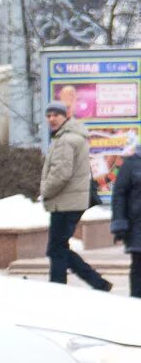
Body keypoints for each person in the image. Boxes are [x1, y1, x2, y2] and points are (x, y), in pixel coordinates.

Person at [41, 99, 113, 291]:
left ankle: (60, 288)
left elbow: (61, 173)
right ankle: (98, 283)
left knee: (56, 249)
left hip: (66, 201)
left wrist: (45, 191)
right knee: (58, 247)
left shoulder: (66, 139)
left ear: (66, 117)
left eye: (56, 115)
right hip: (70, 200)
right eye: (49, 116)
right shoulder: (70, 136)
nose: (52, 119)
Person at [111, 146, 141, 298]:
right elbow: (119, 195)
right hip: (137, 228)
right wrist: (120, 223)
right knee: (139, 271)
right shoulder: (132, 164)